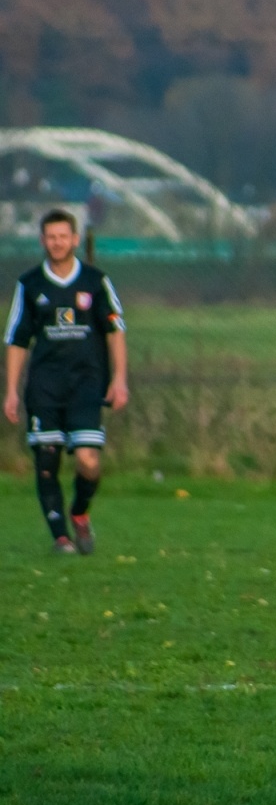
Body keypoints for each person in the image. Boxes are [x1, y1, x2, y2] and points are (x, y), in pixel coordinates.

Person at [4, 209, 129, 555]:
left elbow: (115, 331)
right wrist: (11, 392)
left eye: (63, 236)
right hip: (44, 386)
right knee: (47, 461)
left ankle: (79, 513)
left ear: (74, 239)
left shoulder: (95, 281)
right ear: (42, 241)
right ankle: (61, 538)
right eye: (50, 237)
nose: (57, 243)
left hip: (87, 385)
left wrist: (119, 380)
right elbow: (16, 340)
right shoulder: (30, 285)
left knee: (88, 461)